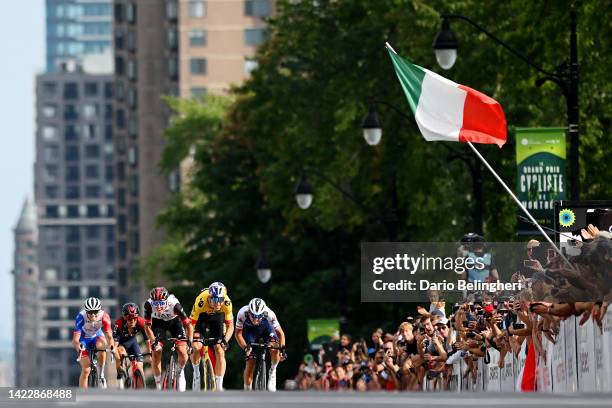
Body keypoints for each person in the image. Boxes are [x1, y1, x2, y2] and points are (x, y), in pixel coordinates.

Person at [144, 287, 193, 391]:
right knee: (157, 351)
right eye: (155, 304)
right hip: (158, 324)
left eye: (161, 304)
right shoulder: (148, 305)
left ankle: (180, 371)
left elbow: (189, 326)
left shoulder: (175, 304)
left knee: (182, 351)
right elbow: (147, 326)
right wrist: (153, 341)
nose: (158, 307)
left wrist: (189, 341)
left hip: (174, 322)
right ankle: (158, 384)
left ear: (166, 301)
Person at [189, 282, 234, 391]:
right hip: (202, 318)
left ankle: (219, 384)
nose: (218, 304)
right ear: (209, 297)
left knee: (219, 349)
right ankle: (196, 374)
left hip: (217, 319)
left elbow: (230, 326)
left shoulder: (227, 303)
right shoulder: (201, 300)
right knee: (196, 346)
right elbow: (191, 324)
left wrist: (225, 340)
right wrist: (190, 341)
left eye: (220, 300)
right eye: (215, 300)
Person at [235, 298, 286, 391]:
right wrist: (245, 347)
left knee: (274, 348)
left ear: (263, 313)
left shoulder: (270, 314)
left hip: (267, 330)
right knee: (250, 363)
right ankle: (247, 390)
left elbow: (281, 334)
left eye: (259, 316)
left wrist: (282, 350)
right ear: (249, 312)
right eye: (253, 316)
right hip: (251, 333)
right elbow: (238, 334)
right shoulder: (242, 313)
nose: (256, 319)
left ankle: (273, 370)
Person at [72, 297, 115, 388]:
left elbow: (109, 336)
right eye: (90, 312)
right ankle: (83, 394)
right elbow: (75, 339)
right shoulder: (80, 317)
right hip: (84, 339)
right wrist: (78, 346)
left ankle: (101, 375)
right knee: (86, 369)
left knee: (102, 346)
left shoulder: (104, 316)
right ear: (86, 311)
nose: (93, 315)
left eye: (95, 312)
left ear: (99, 311)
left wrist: (112, 346)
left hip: (97, 336)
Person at [112, 303, 152, 385]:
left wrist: (150, 354)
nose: (132, 321)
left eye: (134, 318)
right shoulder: (118, 324)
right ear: (124, 317)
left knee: (139, 366)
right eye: (129, 318)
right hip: (121, 343)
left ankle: (139, 384)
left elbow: (147, 340)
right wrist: (114, 352)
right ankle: (120, 371)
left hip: (133, 342)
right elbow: (115, 344)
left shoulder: (141, 322)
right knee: (120, 352)